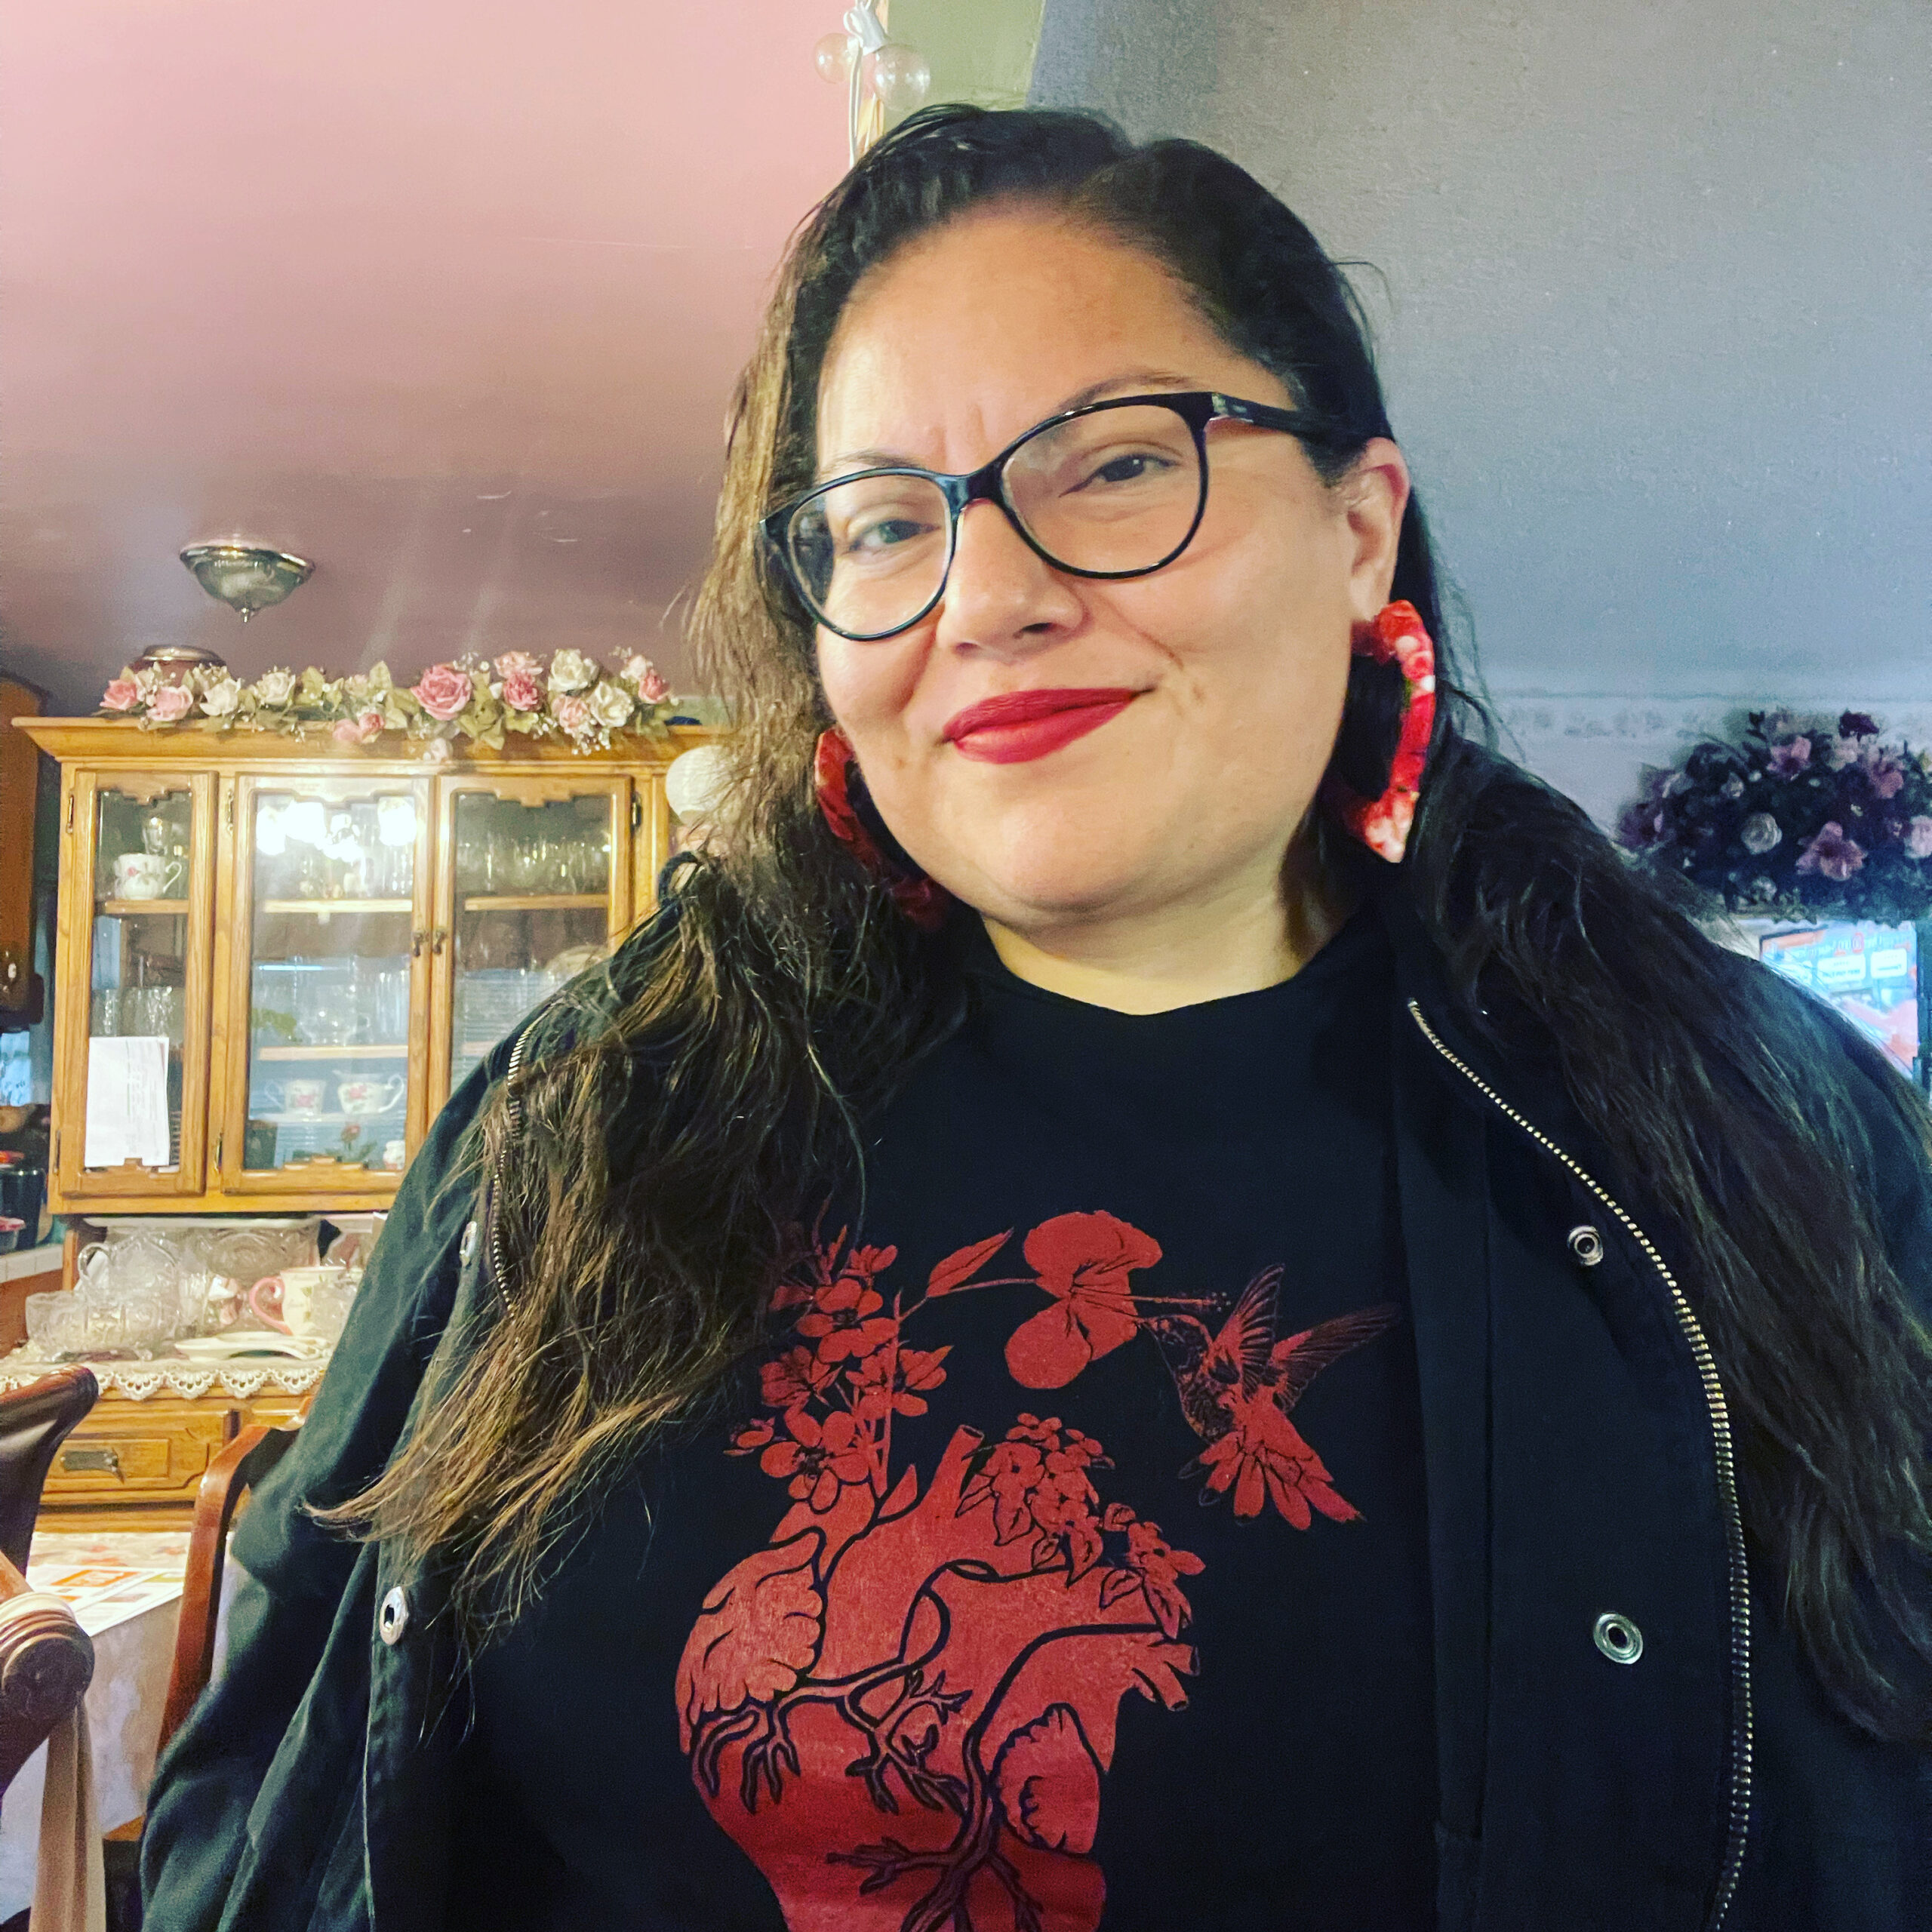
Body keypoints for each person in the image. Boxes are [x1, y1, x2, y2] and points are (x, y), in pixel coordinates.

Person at [143, 106, 1931, 1932]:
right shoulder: (583, 1114)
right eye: (881, 523)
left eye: (1110, 466)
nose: (983, 598)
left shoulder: (1751, 1129)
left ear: (1354, 527)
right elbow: (273, 1791)